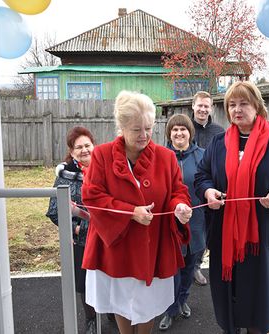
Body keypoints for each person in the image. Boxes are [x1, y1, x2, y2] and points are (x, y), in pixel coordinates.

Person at [194, 81, 269, 334]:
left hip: (263, 236)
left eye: (243, 103)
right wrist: (208, 191)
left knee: (259, 309)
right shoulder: (219, 143)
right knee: (230, 308)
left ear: (257, 105)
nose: (237, 110)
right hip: (226, 237)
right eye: (231, 105)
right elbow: (202, 175)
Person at [81, 91, 193, 334]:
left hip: (154, 244)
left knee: (148, 301)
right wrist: (130, 212)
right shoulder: (101, 155)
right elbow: (91, 195)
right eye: (136, 130)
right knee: (120, 299)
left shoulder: (166, 157)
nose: (144, 135)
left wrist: (180, 207)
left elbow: (178, 191)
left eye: (149, 128)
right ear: (121, 127)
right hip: (117, 246)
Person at [46, 126, 98, 333]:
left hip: (107, 237)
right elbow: (54, 210)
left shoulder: (106, 168)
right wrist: (75, 228)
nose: (84, 150)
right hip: (82, 240)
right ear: (71, 149)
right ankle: (91, 320)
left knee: (108, 277)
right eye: (79, 147)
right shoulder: (65, 174)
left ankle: (112, 313)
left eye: (87, 145)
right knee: (84, 282)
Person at [158, 114, 206, 331]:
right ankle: (170, 308)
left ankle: (182, 299)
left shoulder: (202, 157)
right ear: (169, 133)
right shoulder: (159, 156)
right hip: (168, 225)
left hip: (195, 223)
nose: (179, 133)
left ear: (190, 132)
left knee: (189, 268)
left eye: (183, 129)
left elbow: (208, 183)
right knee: (171, 271)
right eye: (174, 130)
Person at [191, 90, 225, 286]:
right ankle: (190, 266)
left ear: (211, 108)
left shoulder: (219, 132)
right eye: (200, 105)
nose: (203, 109)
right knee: (193, 229)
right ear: (193, 106)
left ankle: (198, 264)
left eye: (206, 106)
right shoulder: (185, 128)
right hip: (190, 186)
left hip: (212, 187)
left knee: (207, 229)